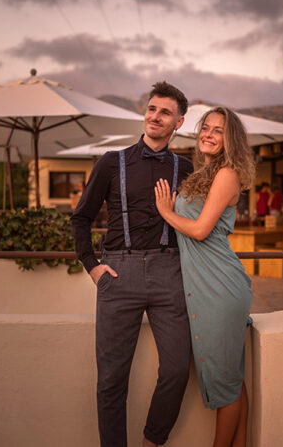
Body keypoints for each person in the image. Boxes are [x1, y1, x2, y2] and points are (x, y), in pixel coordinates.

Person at [71, 81, 194, 447]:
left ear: (179, 122)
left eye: (165, 112)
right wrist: (92, 265)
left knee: (176, 370)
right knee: (111, 379)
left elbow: (200, 221)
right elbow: (81, 218)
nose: (155, 116)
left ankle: (152, 440)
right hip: (118, 272)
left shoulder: (185, 167)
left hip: (168, 272)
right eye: (152, 109)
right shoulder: (112, 162)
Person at [154, 106, 255, 447]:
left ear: (232, 139)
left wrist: (167, 212)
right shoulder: (208, 172)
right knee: (232, 379)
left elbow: (199, 231)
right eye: (205, 128)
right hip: (209, 285)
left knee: (225, 382)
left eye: (218, 130)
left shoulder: (227, 173)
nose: (208, 134)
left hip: (220, 288)